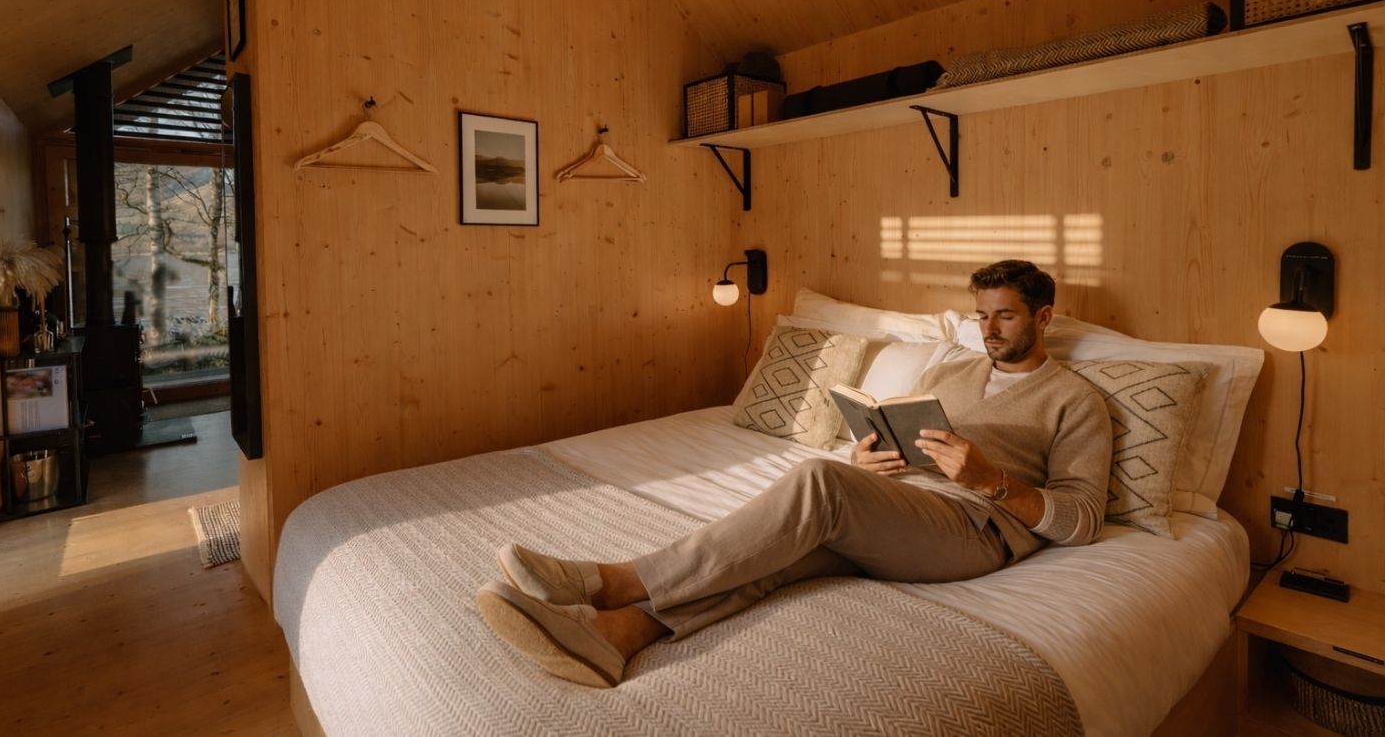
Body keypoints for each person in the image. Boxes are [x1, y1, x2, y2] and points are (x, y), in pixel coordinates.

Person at [476, 260, 1113, 688]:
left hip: (977, 530)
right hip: (903, 510)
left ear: (1043, 318)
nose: (989, 330)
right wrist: (868, 459)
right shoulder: (951, 371)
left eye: (1005, 316)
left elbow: (1082, 520)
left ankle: (614, 581)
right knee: (775, 553)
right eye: (981, 316)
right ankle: (617, 636)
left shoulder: (1075, 401)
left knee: (819, 482)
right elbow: (903, 438)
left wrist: (991, 481)